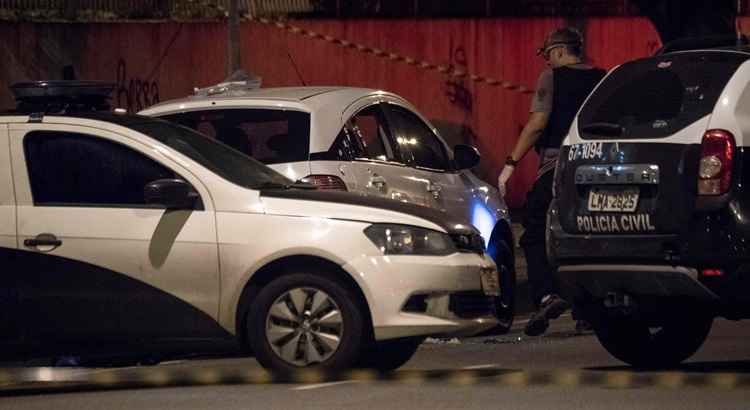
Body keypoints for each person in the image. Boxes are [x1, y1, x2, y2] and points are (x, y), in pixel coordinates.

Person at [498, 27, 606, 337]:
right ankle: (589, 311)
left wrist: (510, 164)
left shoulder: (552, 78)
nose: (546, 62)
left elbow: (537, 123)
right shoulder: (602, 77)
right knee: (586, 237)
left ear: (559, 51)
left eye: (547, 55)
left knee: (534, 230)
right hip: (596, 169)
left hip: (558, 168)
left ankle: (547, 295)